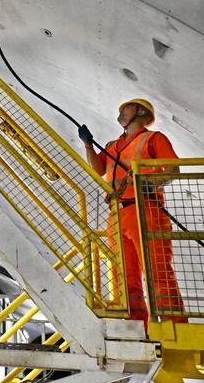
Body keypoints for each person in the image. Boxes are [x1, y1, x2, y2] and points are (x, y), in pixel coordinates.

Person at [79, 99, 186, 325]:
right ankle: (138, 326)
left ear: (140, 111)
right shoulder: (111, 146)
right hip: (117, 215)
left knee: (157, 271)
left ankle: (174, 328)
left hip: (145, 210)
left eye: (125, 107)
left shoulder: (153, 139)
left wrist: (152, 183)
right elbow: (98, 169)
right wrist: (88, 146)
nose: (120, 111)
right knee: (124, 279)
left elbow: (173, 168)